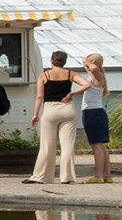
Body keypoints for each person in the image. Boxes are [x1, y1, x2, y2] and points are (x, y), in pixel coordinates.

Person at [26, 50, 81, 185]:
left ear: (51, 61)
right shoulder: (70, 74)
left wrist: (35, 114)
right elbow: (87, 84)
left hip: (50, 109)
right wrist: (72, 93)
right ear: (64, 62)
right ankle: (67, 177)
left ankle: (41, 176)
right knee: (67, 145)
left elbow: (40, 96)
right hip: (68, 109)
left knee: (47, 145)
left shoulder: (44, 75)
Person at [76, 53, 113, 183]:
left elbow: (94, 68)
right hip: (93, 112)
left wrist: (90, 62)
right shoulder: (93, 77)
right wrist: (87, 63)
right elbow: (90, 68)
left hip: (93, 112)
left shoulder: (98, 76)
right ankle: (106, 174)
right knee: (100, 145)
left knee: (97, 145)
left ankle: (98, 175)